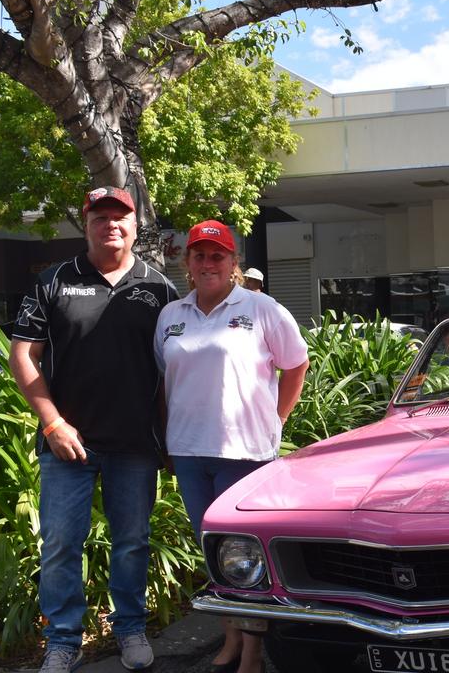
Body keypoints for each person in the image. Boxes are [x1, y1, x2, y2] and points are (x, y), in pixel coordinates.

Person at [10, 186, 178, 673]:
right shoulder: (53, 281)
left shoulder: (160, 288)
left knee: (133, 541)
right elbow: (23, 354)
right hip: (68, 445)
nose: (111, 225)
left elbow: (170, 372)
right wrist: (53, 422)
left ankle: (129, 629)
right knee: (61, 543)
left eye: (120, 217)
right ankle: (63, 639)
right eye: (101, 217)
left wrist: (167, 439)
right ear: (85, 223)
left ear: (134, 224)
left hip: (135, 446)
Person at [155, 220, 309, 673]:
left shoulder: (262, 308)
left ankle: (253, 653)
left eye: (217, 255)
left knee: (245, 556)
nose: (208, 263)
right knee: (211, 552)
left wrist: (275, 421)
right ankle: (229, 637)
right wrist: (166, 443)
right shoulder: (171, 316)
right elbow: (166, 383)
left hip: (244, 452)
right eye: (199, 255)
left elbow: (296, 365)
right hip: (188, 450)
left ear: (233, 262)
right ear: (188, 263)